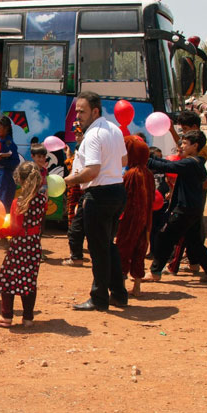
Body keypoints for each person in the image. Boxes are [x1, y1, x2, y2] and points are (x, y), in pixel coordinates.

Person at [64, 92, 128, 312]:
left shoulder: (93, 135)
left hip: (99, 195)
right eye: (77, 111)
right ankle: (119, 294)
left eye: (82, 111)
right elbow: (124, 160)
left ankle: (99, 298)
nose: (77, 116)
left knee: (99, 250)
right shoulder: (114, 129)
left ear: (95, 111)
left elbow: (92, 171)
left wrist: (67, 181)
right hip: (116, 191)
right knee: (108, 246)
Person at [147, 130, 207, 284]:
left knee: (165, 237)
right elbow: (167, 164)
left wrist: (144, 159)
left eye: (184, 144)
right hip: (193, 209)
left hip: (184, 210)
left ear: (195, 146)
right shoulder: (196, 163)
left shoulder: (190, 163)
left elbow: (167, 166)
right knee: (194, 243)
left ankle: (155, 272)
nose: (181, 146)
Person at [165, 110, 207, 274]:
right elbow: (182, 148)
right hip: (187, 184)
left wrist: (206, 183)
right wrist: (171, 131)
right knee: (191, 225)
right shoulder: (191, 144)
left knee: (189, 223)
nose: (183, 136)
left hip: (194, 187)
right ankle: (194, 261)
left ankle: (180, 261)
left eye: (184, 129)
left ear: (194, 127)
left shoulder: (204, 145)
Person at [0, 162, 47, 328]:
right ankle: (28, 318)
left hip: (19, 246)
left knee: (7, 279)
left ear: (20, 180)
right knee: (29, 281)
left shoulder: (19, 202)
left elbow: (15, 228)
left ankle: (6, 317)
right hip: (34, 245)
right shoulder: (42, 200)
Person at [116, 136, 155, 297]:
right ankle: (137, 286)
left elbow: (124, 199)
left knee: (123, 250)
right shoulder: (148, 173)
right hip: (146, 219)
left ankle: (121, 287)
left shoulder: (131, 175)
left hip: (130, 220)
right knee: (140, 250)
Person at [63, 121, 86, 266]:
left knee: (77, 218)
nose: (77, 137)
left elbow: (74, 168)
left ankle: (76, 251)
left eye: (80, 134)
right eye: (76, 134)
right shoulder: (79, 148)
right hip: (75, 186)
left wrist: (68, 158)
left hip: (79, 186)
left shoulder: (85, 149)